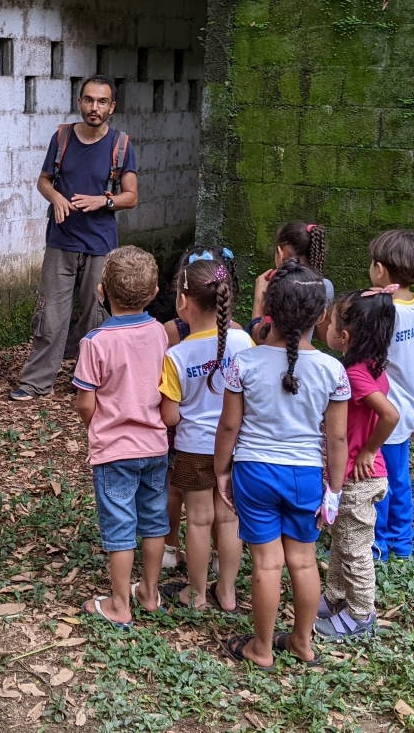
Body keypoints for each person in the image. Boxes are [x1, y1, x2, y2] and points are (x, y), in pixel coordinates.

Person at [215, 262, 349, 670]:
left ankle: (261, 648)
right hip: (306, 476)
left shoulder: (244, 364)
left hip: (254, 472)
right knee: (304, 561)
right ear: (322, 316)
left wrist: (222, 470)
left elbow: (229, 425)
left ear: (267, 312)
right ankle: (304, 643)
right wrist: (334, 491)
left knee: (266, 563)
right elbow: (337, 439)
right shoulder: (333, 370)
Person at [12, 77, 140, 401]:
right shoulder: (62, 138)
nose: (94, 107)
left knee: (96, 315)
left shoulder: (120, 144)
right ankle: (37, 382)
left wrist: (103, 200)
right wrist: (54, 196)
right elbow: (43, 180)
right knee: (50, 314)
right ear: (79, 101)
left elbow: (131, 196)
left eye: (101, 102)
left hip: (100, 245)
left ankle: (92, 382)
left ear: (112, 106)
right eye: (88, 100)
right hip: (61, 240)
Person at [73, 246, 173, 627]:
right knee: (153, 521)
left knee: (119, 526)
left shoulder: (95, 342)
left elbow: (86, 403)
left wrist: (96, 426)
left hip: (115, 451)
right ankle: (148, 591)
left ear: (101, 292)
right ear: (152, 293)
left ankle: (119, 604)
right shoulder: (160, 334)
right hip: (155, 446)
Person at [158, 251, 252, 612]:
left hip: (195, 448)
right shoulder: (245, 344)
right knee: (229, 519)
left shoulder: (177, 355)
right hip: (238, 449)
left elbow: (169, 417)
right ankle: (226, 593)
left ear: (182, 301)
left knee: (198, 521)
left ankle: (195, 595)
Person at [316, 289, 398, 641]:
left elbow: (390, 415)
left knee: (354, 548)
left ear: (344, 336)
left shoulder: (356, 374)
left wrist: (368, 449)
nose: (327, 326)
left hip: (359, 477)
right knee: (342, 539)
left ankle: (361, 613)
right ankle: (336, 596)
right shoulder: (372, 365)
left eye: (331, 321)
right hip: (350, 475)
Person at [367, 230, 414, 563]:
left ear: (380, 269)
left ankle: (377, 545)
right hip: (406, 407)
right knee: (398, 477)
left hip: (383, 414)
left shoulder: (383, 312)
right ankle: (402, 542)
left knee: (379, 481)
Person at [250, 221, 334, 341]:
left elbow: (260, 339)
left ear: (281, 252)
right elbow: (322, 335)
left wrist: (260, 297)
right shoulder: (325, 285)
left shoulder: (278, 286)